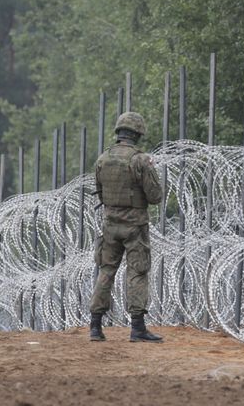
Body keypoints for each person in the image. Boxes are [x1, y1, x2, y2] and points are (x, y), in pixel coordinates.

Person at [88, 112, 164, 342]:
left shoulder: (103, 158)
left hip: (110, 224)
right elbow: (155, 196)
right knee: (137, 272)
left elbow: (100, 191)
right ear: (138, 134)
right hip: (134, 225)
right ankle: (138, 328)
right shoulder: (140, 160)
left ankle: (95, 327)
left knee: (106, 270)